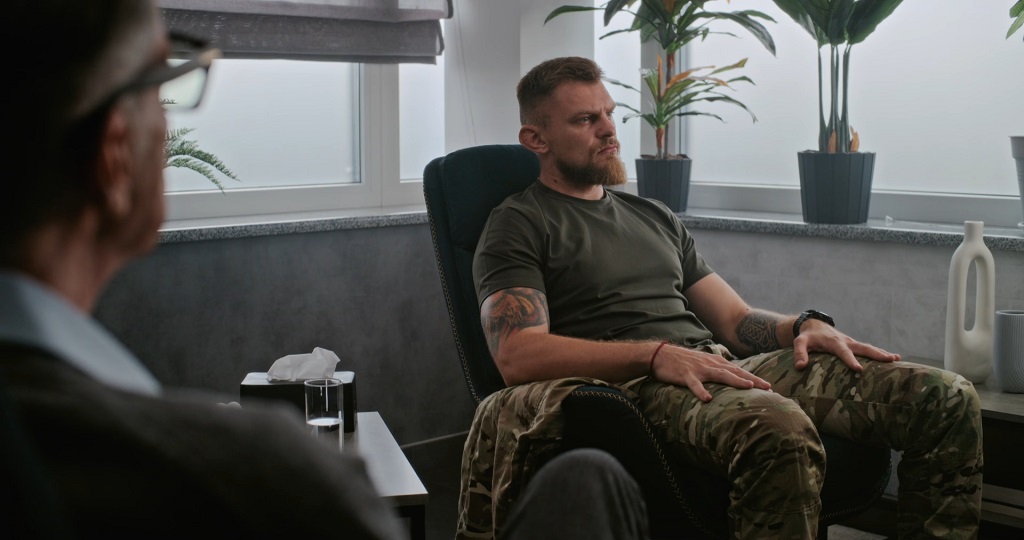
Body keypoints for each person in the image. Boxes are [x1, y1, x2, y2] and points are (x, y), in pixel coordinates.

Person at [0, 3, 648, 538]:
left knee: (585, 478)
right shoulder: (247, 470)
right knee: (591, 482)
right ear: (113, 157)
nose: (168, 129)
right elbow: (518, 353)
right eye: (160, 87)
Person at [468, 56, 983, 539]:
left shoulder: (653, 216)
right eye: (585, 120)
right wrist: (655, 355)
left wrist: (802, 326)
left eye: (609, 113)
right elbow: (517, 354)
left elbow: (735, 320)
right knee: (779, 430)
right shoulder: (519, 223)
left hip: (719, 364)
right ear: (535, 138)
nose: (608, 130)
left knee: (945, 398)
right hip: (639, 387)